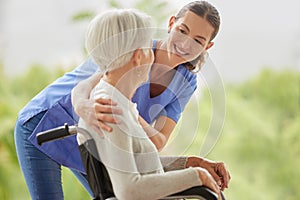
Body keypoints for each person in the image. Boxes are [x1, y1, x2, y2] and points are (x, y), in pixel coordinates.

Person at [14, 1, 230, 199]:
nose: (185, 43)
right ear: (172, 23)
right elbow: (87, 84)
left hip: (99, 137)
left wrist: (131, 113)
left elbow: (157, 142)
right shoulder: (134, 48)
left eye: (198, 40)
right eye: (182, 31)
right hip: (45, 123)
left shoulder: (185, 82)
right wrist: (83, 106)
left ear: (207, 47)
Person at [77, 8, 221, 200]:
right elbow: (128, 191)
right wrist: (196, 176)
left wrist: (190, 164)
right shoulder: (111, 109)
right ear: (138, 55)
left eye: (197, 40)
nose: (154, 54)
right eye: (148, 48)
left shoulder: (122, 104)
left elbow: (141, 163)